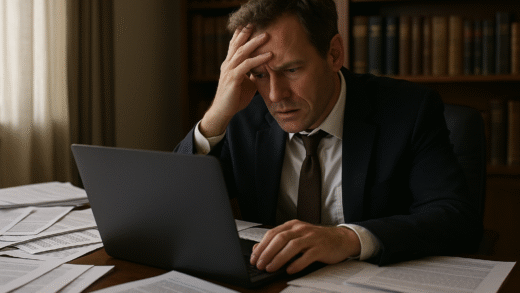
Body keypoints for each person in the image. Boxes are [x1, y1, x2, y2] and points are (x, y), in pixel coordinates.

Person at [175, 0, 482, 275]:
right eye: (260, 74)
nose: (275, 95)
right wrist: (215, 118)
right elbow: (173, 207)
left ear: (334, 54)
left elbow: (455, 218)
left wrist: (347, 238)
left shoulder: (408, 110)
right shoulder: (243, 112)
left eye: (292, 69)